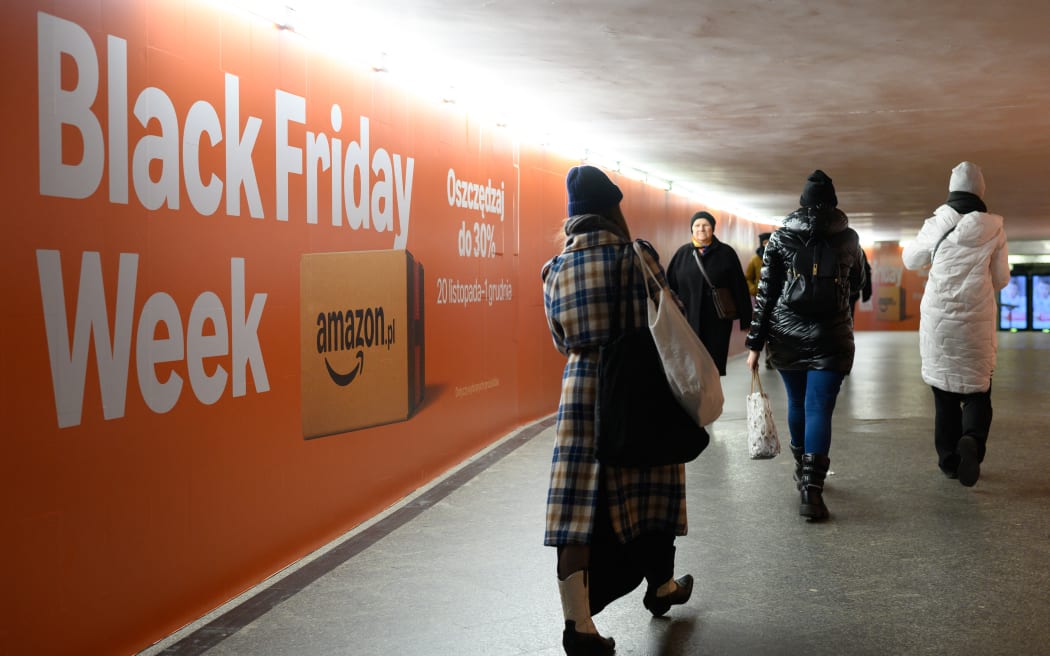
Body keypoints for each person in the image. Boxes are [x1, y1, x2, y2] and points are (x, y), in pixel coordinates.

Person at [541, 165, 694, 656]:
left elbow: (561, 340)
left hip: (582, 390)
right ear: (612, 209)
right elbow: (669, 317)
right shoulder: (636, 256)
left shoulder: (554, 270)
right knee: (655, 488)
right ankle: (662, 586)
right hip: (636, 384)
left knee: (577, 507)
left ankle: (577, 624)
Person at [745, 170, 866, 521]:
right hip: (832, 335)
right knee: (819, 409)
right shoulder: (850, 238)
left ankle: (803, 468)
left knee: (797, 402)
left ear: (802, 203)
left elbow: (766, 294)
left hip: (787, 333)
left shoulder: (780, 238)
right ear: (833, 202)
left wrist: (755, 344)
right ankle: (812, 493)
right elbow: (856, 281)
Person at [902, 161, 1009, 487]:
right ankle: (973, 441)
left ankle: (949, 460)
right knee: (979, 391)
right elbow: (1001, 279)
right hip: (976, 321)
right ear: (981, 192)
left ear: (953, 190)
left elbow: (910, 259)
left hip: (940, 322)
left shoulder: (939, 222)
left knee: (944, 395)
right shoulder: (994, 228)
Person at [666, 211, 753, 376]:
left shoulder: (726, 253)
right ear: (691, 229)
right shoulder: (682, 254)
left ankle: (712, 399)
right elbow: (669, 287)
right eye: (697, 226)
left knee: (712, 367)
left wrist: (746, 320)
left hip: (717, 321)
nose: (701, 229)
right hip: (688, 320)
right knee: (691, 367)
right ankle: (696, 400)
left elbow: (739, 287)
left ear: (712, 228)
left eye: (705, 225)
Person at [745, 232, 772, 297]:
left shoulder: (778, 259)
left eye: (769, 243)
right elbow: (748, 278)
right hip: (759, 296)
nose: (766, 246)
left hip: (775, 296)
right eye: (765, 243)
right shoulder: (755, 260)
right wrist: (754, 290)